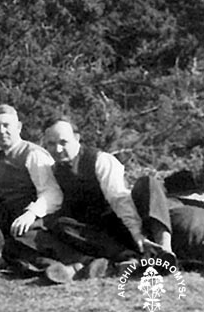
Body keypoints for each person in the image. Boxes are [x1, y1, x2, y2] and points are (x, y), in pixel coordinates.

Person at [41, 118, 177, 281]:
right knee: (60, 224)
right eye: (51, 144)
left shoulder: (100, 160)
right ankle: (129, 258)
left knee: (149, 183)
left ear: (77, 138)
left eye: (64, 142)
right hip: (96, 232)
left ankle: (165, 250)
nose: (57, 149)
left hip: (124, 221)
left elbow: (119, 199)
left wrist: (137, 234)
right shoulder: (52, 170)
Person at [0, 104, 104, 281]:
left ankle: (82, 261)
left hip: (41, 218)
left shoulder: (33, 154)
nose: (1, 131)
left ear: (18, 127)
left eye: (6, 126)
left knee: (28, 236)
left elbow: (51, 193)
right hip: (14, 221)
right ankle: (58, 269)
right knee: (10, 247)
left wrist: (31, 213)